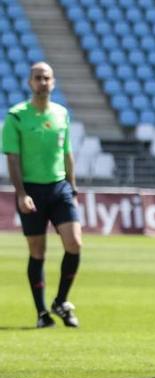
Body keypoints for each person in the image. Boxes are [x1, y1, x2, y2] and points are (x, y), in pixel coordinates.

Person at [3, 62, 81, 328]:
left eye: (47, 78)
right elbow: (12, 159)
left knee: (75, 243)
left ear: (53, 82)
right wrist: (21, 193)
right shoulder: (16, 117)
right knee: (38, 251)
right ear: (30, 83)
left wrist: (73, 184)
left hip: (59, 187)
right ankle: (42, 313)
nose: (43, 82)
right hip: (31, 190)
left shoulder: (62, 114)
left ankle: (61, 301)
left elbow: (67, 152)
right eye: (38, 78)